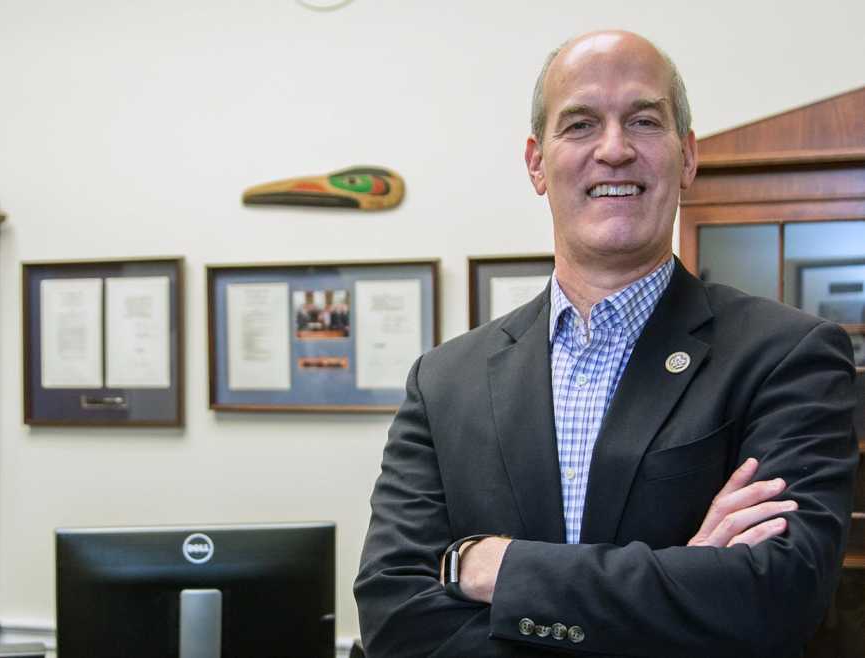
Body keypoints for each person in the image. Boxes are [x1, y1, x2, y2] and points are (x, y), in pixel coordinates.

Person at [354, 30, 858, 657]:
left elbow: (778, 596)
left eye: (645, 121)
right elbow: (394, 617)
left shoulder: (789, 356)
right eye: (582, 124)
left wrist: (501, 568)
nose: (614, 150)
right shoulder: (443, 381)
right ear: (537, 163)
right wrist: (687, 574)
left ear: (688, 157)